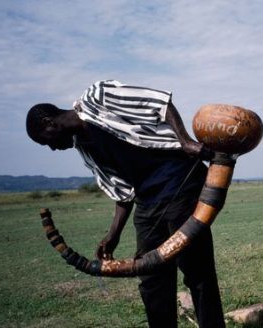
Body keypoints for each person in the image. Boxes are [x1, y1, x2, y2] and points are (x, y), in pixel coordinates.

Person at [26, 80, 226, 328]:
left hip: (179, 181)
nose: (53, 149)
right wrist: (113, 235)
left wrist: (184, 141)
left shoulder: (98, 96)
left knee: (196, 268)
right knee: (151, 276)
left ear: (49, 122)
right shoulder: (85, 149)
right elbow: (122, 192)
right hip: (147, 201)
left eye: (46, 141)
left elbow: (159, 102)